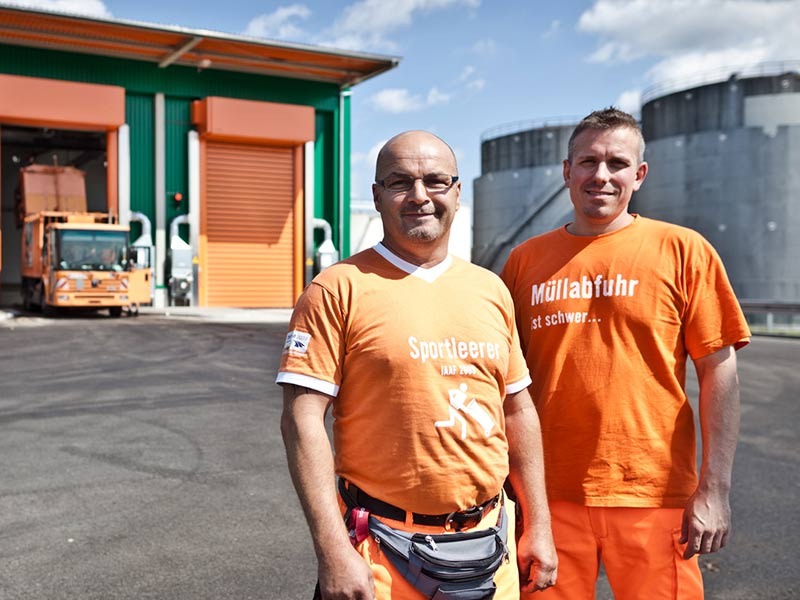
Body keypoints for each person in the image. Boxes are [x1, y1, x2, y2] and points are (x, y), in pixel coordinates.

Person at [278, 130, 557, 599]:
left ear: (457, 191)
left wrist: (540, 527)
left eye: (436, 180)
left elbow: (517, 411)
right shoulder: (336, 289)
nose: (420, 196)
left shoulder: (489, 290)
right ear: (377, 195)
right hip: (382, 556)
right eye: (400, 182)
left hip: (492, 548)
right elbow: (301, 421)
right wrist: (332, 551)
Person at [500, 107, 751, 599]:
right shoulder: (524, 261)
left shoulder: (683, 250)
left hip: (653, 496)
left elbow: (720, 374)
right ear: (566, 171)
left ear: (639, 175)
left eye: (617, 163)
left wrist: (715, 489)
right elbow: (506, 383)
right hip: (546, 500)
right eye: (588, 161)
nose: (601, 175)